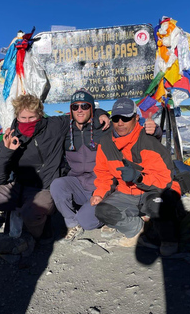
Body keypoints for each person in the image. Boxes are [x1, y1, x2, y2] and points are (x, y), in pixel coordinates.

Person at [0, 94, 109, 273]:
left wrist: (100, 113)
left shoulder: (55, 126)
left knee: (32, 212)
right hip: (18, 186)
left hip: (44, 188)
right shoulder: (13, 134)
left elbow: (81, 114)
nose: (27, 122)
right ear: (17, 117)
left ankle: (34, 234)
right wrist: (6, 151)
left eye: (32, 117)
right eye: (23, 118)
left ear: (40, 115)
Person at [50, 90, 162, 242]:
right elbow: (41, 124)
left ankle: (110, 216)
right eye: (75, 107)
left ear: (92, 108)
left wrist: (155, 132)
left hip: (104, 185)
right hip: (78, 184)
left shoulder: (105, 127)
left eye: (84, 106)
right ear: (71, 110)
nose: (80, 110)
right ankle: (73, 224)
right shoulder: (66, 129)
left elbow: (133, 134)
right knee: (57, 185)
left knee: (87, 221)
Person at [92, 97, 182, 256]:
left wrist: (139, 178)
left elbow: (165, 180)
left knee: (158, 205)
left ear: (136, 118)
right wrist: (99, 194)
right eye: (116, 118)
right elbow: (103, 174)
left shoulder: (147, 140)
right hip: (126, 193)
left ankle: (168, 239)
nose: (120, 122)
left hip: (152, 190)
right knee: (102, 211)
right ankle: (136, 229)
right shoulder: (105, 143)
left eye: (126, 118)